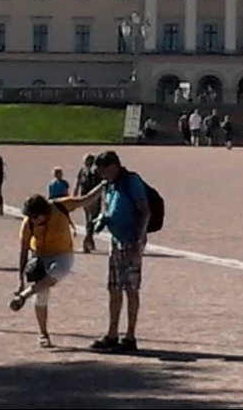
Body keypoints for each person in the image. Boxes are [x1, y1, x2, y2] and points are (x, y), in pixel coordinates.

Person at [9, 186, 107, 348]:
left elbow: (86, 199)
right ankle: (43, 333)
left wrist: (103, 185)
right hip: (40, 256)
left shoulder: (61, 206)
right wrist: (20, 279)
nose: (32, 220)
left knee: (57, 273)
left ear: (45, 212)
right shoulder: (28, 224)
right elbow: (24, 251)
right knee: (42, 294)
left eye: (35, 217)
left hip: (62, 254)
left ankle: (24, 296)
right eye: (30, 217)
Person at [90, 150, 151, 353]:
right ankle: (112, 334)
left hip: (130, 241)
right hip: (115, 241)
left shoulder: (131, 181)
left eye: (103, 171)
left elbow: (145, 210)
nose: (102, 175)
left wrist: (139, 240)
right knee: (114, 288)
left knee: (131, 289)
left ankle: (130, 336)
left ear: (113, 166)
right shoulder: (111, 184)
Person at [74, 153, 102, 253]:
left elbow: (78, 183)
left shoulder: (84, 171)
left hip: (87, 197)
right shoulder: (96, 171)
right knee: (91, 220)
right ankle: (88, 241)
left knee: (89, 220)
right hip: (92, 197)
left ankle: (89, 241)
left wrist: (75, 194)